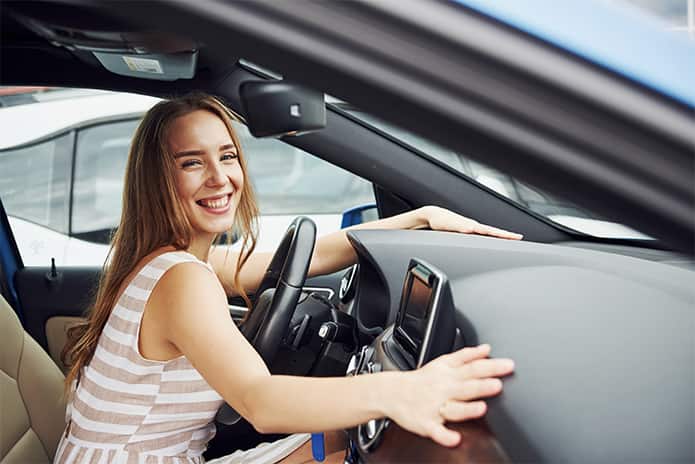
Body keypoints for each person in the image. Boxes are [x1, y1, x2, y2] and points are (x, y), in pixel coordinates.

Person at [55, 93, 520, 464]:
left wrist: (420, 217)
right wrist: (401, 389)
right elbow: (260, 402)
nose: (221, 178)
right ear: (157, 180)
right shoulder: (181, 280)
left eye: (228, 156)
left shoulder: (170, 261)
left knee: (336, 439)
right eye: (192, 163)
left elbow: (315, 252)